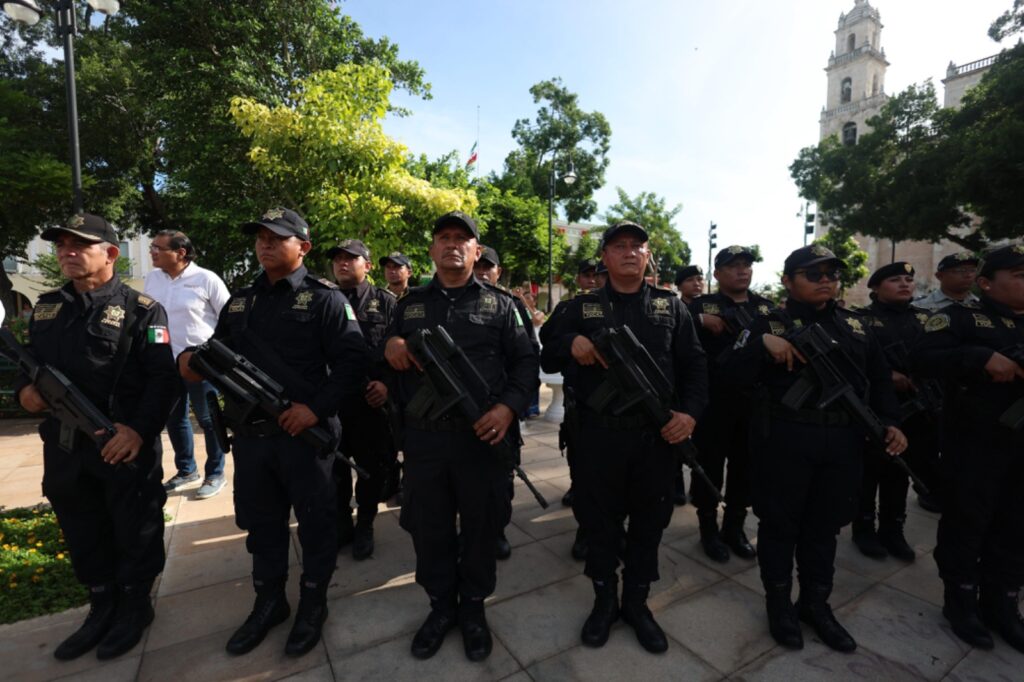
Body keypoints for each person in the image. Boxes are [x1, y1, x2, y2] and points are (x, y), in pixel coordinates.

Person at [178, 208, 367, 657]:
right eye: (260, 236)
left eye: (277, 237)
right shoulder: (240, 301)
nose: (265, 243)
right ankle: (269, 600)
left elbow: (353, 364)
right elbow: (216, 353)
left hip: (305, 438)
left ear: (303, 247)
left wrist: (314, 410)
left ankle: (314, 601)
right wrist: (190, 359)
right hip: (252, 438)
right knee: (262, 525)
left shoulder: (324, 299)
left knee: (316, 524)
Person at [719, 244, 906, 653]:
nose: (826, 281)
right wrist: (761, 343)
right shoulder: (768, 321)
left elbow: (879, 382)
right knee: (780, 526)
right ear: (788, 281)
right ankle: (778, 604)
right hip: (785, 440)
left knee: (824, 528)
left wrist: (891, 422)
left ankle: (816, 603)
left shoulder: (856, 325)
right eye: (813, 274)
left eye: (832, 274)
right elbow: (728, 374)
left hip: (842, 444)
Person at [540, 221, 708, 654]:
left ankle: (636, 602)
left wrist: (689, 415)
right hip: (597, 438)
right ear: (606, 257)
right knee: (598, 524)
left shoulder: (672, 308)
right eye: (619, 246)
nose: (629, 252)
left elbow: (695, 366)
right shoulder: (580, 307)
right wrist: (572, 341)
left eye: (637, 246)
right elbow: (547, 350)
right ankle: (604, 600)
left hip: (656, 438)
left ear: (648, 255)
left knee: (650, 523)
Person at [16, 213, 178, 661]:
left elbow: (162, 380)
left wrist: (138, 430)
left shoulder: (141, 309)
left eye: (79, 245)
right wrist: (25, 392)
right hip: (65, 446)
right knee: (81, 524)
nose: (67, 252)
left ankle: (135, 604)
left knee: (134, 525)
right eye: (61, 245)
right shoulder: (46, 307)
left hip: (122, 444)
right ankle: (102, 602)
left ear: (110, 254)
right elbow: (29, 363)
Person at [384, 212, 538, 662]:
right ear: (432, 249)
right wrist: (391, 345)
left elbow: (526, 363)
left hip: (481, 439)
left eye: (462, 239)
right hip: (425, 441)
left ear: (476, 250)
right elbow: (386, 352)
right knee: (429, 528)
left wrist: (507, 409)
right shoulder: (409, 305)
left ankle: (472, 607)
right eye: (444, 237)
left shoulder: (502, 304)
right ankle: (440, 607)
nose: (452, 244)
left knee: (481, 527)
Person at [912, 243, 1024, 653]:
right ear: (986, 283)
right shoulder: (959, 318)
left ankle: (1003, 604)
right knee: (967, 524)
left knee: (1015, 527)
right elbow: (920, 359)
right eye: (1019, 275)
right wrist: (978, 357)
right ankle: (960, 601)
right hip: (975, 447)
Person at [688, 246, 773, 562]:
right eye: (734, 266)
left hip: (753, 404)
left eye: (746, 265)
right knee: (708, 468)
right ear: (717, 273)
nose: (742, 271)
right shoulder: (702, 305)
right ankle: (708, 529)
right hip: (714, 405)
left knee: (745, 468)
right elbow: (674, 328)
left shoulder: (765, 308)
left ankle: (734, 528)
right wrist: (699, 319)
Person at [851, 262, 936, 562]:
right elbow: (852, 363)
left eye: (909, 279)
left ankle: (893, 529)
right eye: (895, 280)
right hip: (875, 409)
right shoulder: (860, 320)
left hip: (918, 411)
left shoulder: (926, 319)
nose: (905, 284)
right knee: (869, 473)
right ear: (875, 288)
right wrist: (887, 375)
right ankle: (863, 528)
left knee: (900, 472)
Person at [144, 229, 231, 499]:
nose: (152, 252)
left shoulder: (206, 279)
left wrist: (214, 355)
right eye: (152, 247)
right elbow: (149, 320)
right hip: (165, 362)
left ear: (180, 252)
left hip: (200, 364)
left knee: (209, 419)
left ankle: (215, 473)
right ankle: (186, 470)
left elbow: (228, 319)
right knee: (175, 419)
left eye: (158, 248)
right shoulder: (152, 279)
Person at [329, 238, 397, 560]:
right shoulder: (323, 299)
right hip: (331, 404)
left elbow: (402, 350)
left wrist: (387, 385)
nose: (343, 263)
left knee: (372, 469)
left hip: (371, 404)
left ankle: (366, 523)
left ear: (367, 266)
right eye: (338, 258)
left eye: (351, 258)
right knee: (334, 469)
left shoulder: (385, 302)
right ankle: (342, 522)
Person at [473, 245, 541, 561]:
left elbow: (527, 357)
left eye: (488, 267)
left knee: (501, 478)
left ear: (498, 272)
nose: (482, 272)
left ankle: (497, 529)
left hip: (500, 408)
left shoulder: (510, 304)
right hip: (458, 411)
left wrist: (511, 405)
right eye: (478, 266)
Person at [914, 252, 980, 311]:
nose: (968, 275)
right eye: (960, 270)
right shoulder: (920, 306)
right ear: (940, 276)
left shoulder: (980, 304)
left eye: (973, 270)